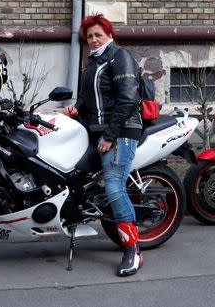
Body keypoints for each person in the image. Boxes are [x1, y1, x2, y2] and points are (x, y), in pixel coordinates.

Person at [63, 14, 143, 276]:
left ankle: (133, 250)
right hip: (96, 131)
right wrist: (75, 109)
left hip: (121, 132)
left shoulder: (120, 56)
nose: (94, 39)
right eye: (89, 36)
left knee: (113, 185)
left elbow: (129, 98)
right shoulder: (94, 61)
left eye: (98, 34)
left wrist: (109, 135)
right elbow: (89, 98)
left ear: (109, 34)